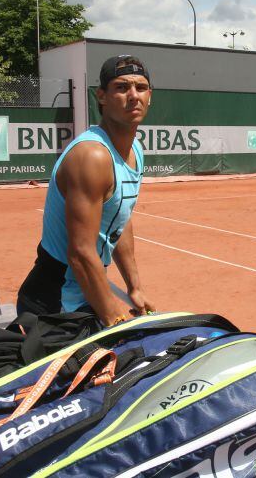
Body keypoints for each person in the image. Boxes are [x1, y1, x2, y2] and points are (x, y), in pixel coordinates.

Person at [17, 55, 155, 327]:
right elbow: (80, 253)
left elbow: (119, 218)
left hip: (83, 294)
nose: (133, 95)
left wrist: (134, 287)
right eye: (121, 87)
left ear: (150, 96)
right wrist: (111, 314)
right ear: (101, 96)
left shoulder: (135, 151)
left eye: (140, 88)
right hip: (54, 304)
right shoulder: (92, 156)